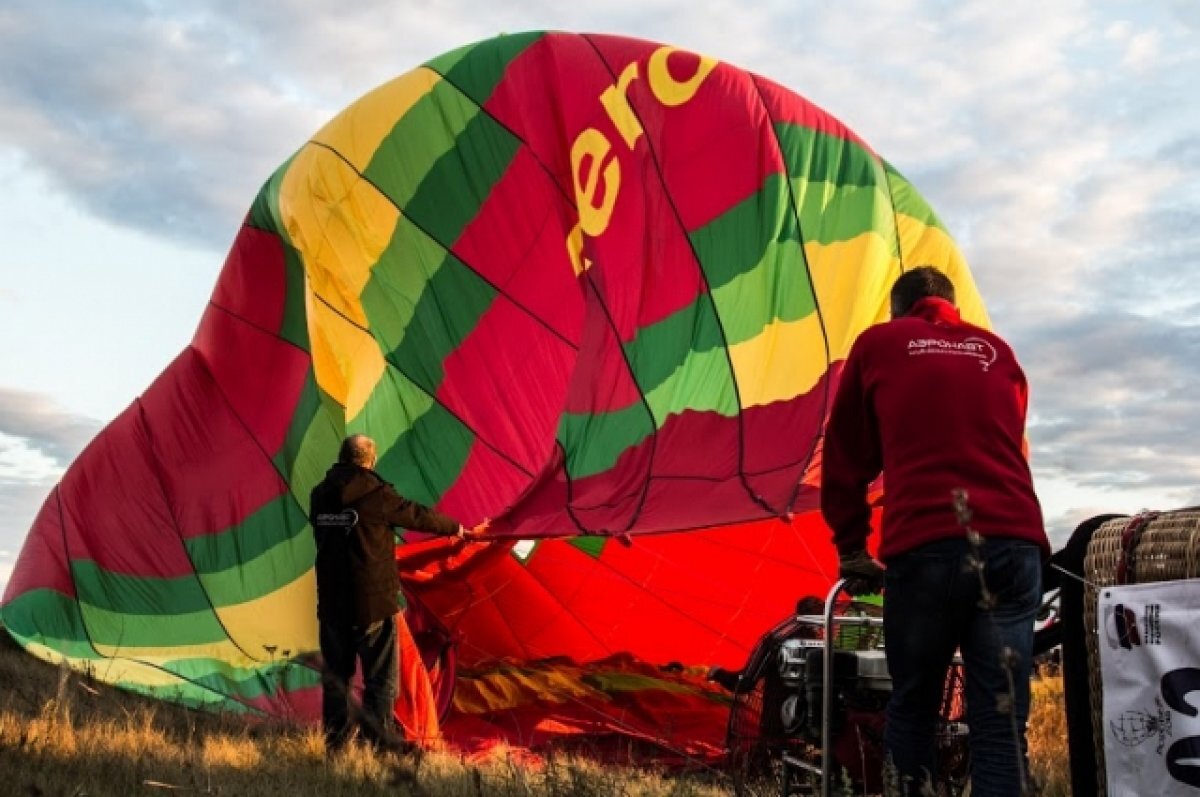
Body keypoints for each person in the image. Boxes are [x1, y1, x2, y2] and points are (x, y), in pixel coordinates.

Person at [820, 266, 1049, 797]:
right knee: (999, 724)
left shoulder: (880, 344)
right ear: (953, 306)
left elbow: (845, 455)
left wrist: (852, 545)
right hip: (1013, 545)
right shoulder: (997, 351)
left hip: (928, 546)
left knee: (915, 709)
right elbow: (1009, 443)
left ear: (899, 310)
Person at [310, 433, 488, 755]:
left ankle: (334, 746)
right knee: (381, 681)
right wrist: (458, 529)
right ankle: (377, 745)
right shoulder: (377, 495)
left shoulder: (319, 496)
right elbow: (418, 516)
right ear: (370, 462)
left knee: (337, 680)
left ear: (341, 457)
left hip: (333, 606)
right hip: (373, 606)